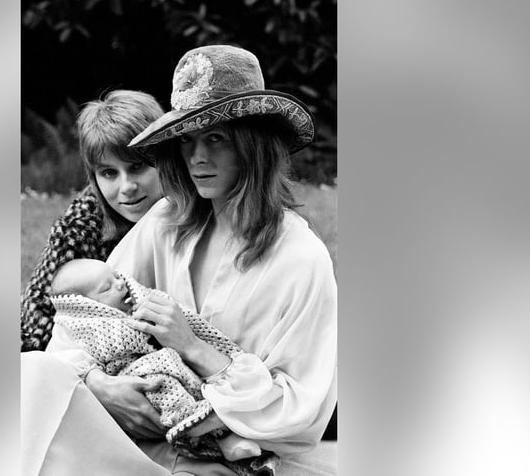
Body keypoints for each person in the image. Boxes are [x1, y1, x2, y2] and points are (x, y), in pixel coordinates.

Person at [41, 45, 337, 475]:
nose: (197, 158)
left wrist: (193, 346)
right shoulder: (166, 222)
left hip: (239, 454)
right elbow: (78, 322)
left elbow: (299, 409)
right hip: (137, 435)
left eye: (216, 139)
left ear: (254, 146)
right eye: (188, 141)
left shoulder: (301, 259)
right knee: (27, 383)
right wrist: (98, 384)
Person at [48, 258, 276, 474]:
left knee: (193, 384)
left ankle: (223, 435)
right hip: (137, 380)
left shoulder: (146, 301)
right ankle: (204, 433)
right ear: (86, 305)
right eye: (107, 288)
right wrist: (93, 376)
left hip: (175, 366)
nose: (119, 284)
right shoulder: (78, 327)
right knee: (164, 388)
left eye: (116, 276)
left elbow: (189, 323)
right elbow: (61, 362)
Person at [20, 90, 165, 352]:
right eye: (109, 173)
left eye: (137, 166)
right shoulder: (82, 224)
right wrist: (89, 375)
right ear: (94, 177)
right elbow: (33, 319)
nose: (127, 186)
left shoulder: (194, 209)